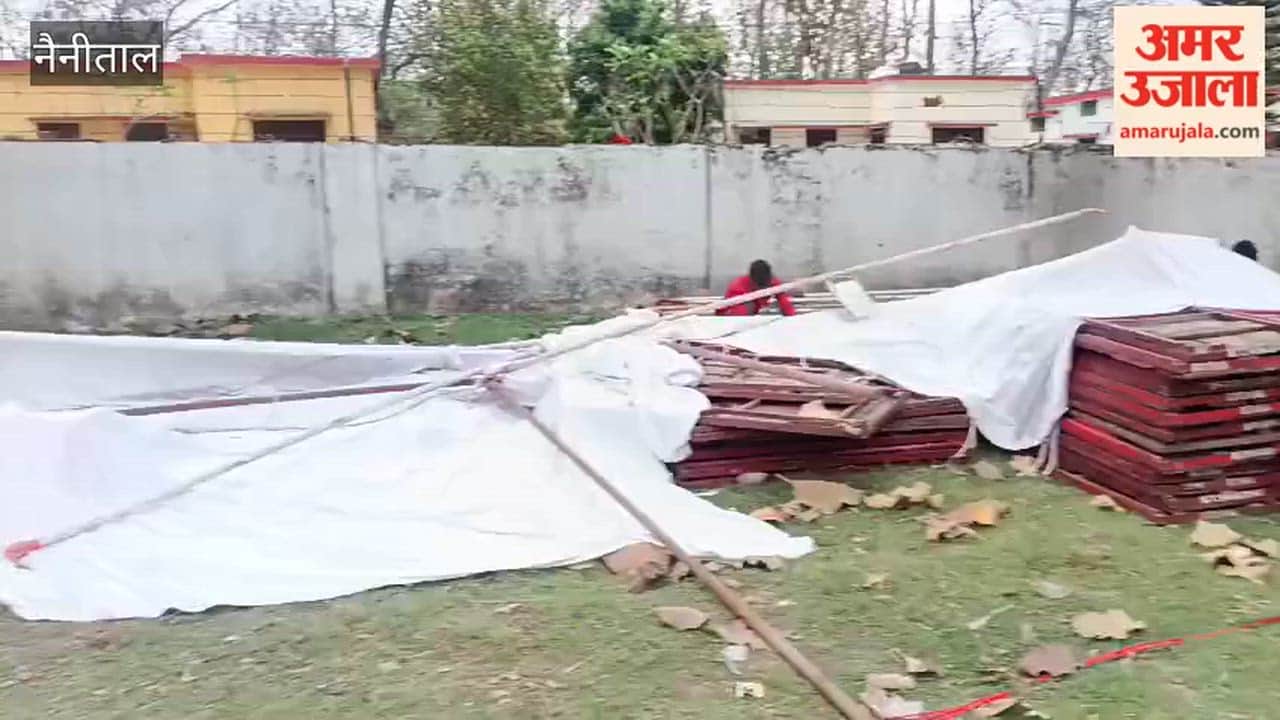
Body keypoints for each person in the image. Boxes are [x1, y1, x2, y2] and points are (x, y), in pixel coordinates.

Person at [716, 259, 797, 317]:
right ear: (752, 279)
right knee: (748, 304)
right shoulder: (738, 287)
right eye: (760, 285)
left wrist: (791, 319)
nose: (763, 287)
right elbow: (737, 314)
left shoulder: (772, 282)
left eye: (765, 283)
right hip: (728, 316)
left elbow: (785, 303)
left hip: (751, 314)